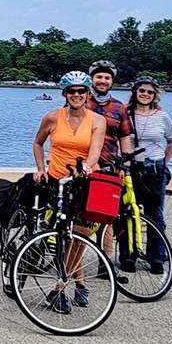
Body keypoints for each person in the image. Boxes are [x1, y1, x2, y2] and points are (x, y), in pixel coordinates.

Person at [32, 70, 106, 314]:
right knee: (66, 235)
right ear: (64, 93)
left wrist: (85, 167)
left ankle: (67, 285)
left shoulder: (97, 120)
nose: (76, 95)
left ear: (88, 94)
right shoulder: (52, 117)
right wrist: (41, 168)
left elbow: (95, 151)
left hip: (85, 180)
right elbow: (38, 142)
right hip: (58, 180)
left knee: (82, 234)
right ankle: (66, 287)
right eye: (71, 91)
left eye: (81, 91)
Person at [126, 75, 172, 275]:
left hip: (154, 166)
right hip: (131, 166)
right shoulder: (126, 113)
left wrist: (164, 162)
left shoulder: (161, 115)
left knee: (155, 213)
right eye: (142, 91)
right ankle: (128, 255)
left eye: (149, 92)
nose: (145, 94)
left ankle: (156, 257)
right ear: (135, 92)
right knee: (128, 212)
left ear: (155, 94)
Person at [86, 60, 133, 275]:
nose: (102, 81)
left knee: (108, 218)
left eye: (106, 77)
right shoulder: (81, 101)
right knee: (81, 217)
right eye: (99, 77)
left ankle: (105, 266)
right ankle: (70, 264)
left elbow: (124, 137)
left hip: (109, 165)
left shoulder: (119, 107)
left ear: (112, 81)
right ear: (92, 79)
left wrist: (126, 164)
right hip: (86, 165)